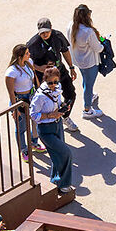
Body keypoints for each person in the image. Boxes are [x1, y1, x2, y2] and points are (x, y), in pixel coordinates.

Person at [29, 64, 75, 193]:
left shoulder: (58, 89)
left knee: (57, 154)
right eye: (50, 83)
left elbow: (58, 103)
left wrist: (64, 106)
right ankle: (64, 184)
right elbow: (33, 115)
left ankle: (56, 180)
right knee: (66, 153)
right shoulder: (40, 96)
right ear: (45, 80)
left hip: (57, 125)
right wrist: (49, 115)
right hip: (46, 130)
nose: (53, 85)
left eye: (55, 82)